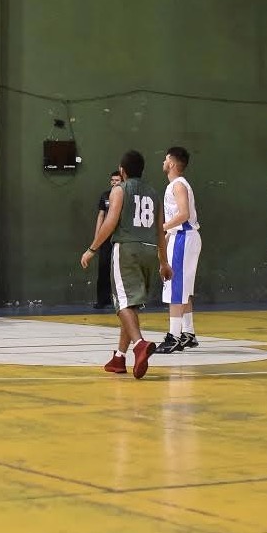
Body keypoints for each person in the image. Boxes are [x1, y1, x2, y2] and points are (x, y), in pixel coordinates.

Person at [79, 150, 170, 380]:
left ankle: (139, 345)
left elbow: (110, 222)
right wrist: (164, 262)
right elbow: (160, 229)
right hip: (150, 250)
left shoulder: (119, 190)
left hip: (127, 249)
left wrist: (92, 248)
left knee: (121, 304)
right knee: (131, 304)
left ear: (122, 170)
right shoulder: (154, 194)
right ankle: (119, 357)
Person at [155, 147, 202, 354]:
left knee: (175, 288)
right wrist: (164, 239)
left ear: (172, 163)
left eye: (165, 159)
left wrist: (162, 227)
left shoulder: (178, 185)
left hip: (184, 237)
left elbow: (183, 214)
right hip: (181, 237)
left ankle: (173, 337)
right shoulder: (177, 185)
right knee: (183, 288)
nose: (163, 162)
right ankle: (188, 333)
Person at [92, 171, 123, 309]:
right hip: (106, 237)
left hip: (121, 237)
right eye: (112, 180)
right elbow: (101, 215)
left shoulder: (124, 196)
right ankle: (102, 300)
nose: (114, 182)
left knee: (121, 269)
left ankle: (125, 301)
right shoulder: (105, 195)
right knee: (103, 267)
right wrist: (98, 235)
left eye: (117, 180)